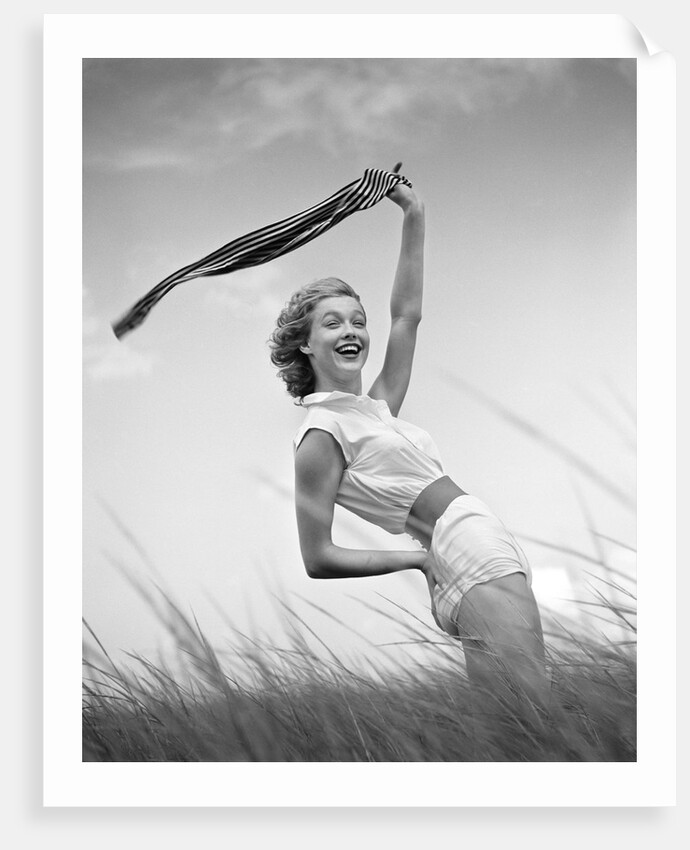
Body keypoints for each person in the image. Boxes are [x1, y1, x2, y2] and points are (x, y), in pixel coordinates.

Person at [269, 167, 551, 726]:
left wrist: (412, 213)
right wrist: (421, 559)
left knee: (510, 730)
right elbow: (318, 557)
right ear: (305, 343)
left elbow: (406, 315)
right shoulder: (322, 434)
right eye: (332, 323)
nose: (352, 329)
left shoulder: (373, 410)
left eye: (357, 320)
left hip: (477, 546)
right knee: (539, 713)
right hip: (461, 551)